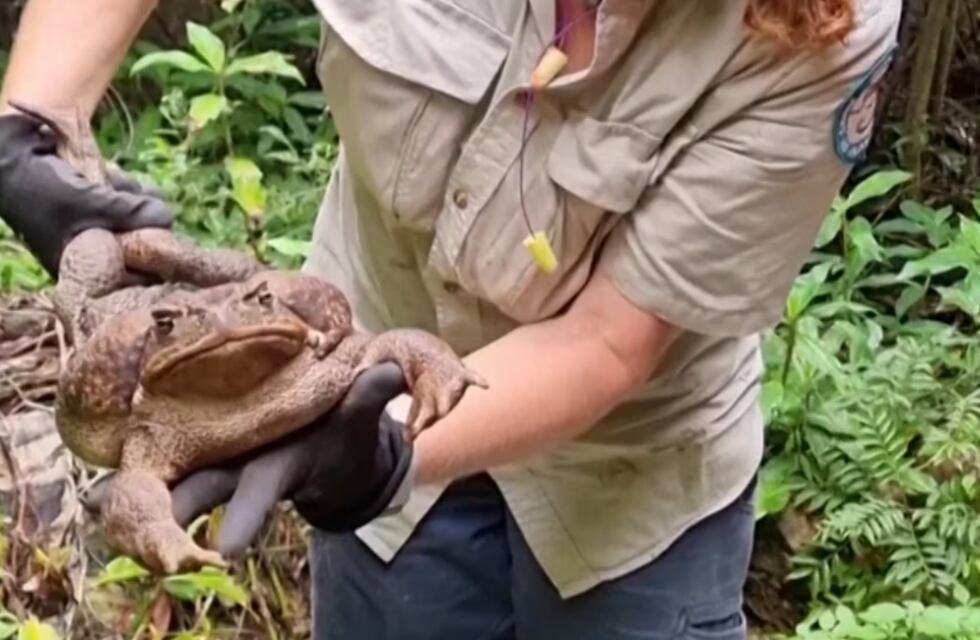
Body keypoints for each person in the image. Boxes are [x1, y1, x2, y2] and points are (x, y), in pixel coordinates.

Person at [0, 0, 902, 637]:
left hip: (627, 469)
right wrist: (27, 123)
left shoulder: (822, 19)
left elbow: (609, 341)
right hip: (350, 350)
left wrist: (373, 445)